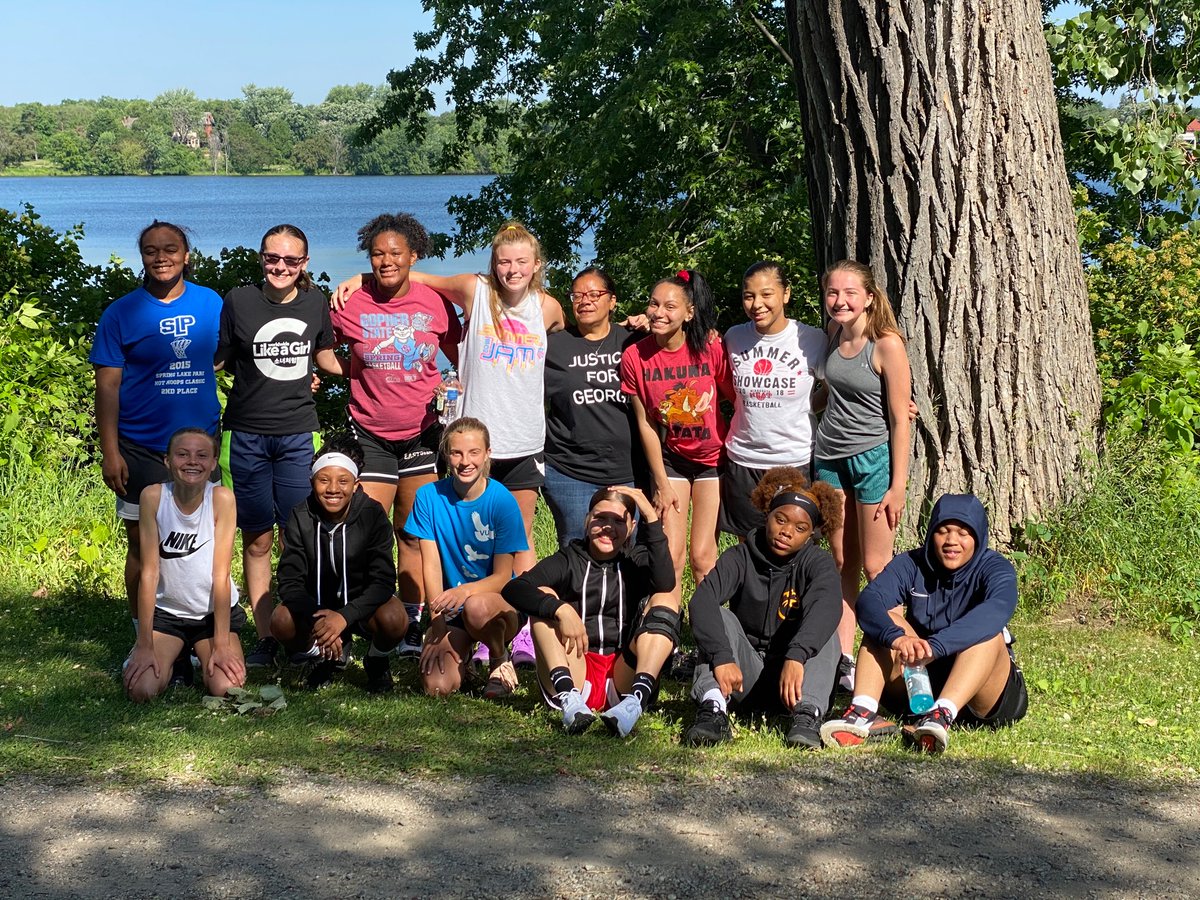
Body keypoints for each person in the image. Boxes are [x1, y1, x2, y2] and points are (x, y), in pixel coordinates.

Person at [335, 221, 564, 667]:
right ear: (492, 265)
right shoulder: (475, 292)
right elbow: (413, 274)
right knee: (459, 537)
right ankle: (450, 623)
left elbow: (574, 341)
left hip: (525, 440)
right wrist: (361, 278)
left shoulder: (549, 308)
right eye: (503, 261)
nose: (511, 270)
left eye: (521, 262)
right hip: (474, 442)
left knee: (519, 543)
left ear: (536, 266)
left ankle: (517, 633)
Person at [329, 213, 462, 659]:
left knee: (411, 533)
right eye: (377, 254)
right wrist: (351, 373)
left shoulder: (435, 303)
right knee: (361, 530)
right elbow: (324, 351)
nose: (386, 261)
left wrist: (454, 382)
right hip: (369, 432)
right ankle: (348, 620)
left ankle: (408, 622)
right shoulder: (351, 302)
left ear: (413, 256)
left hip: (423, 433)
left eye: (395, 254)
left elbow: (460, 354)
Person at [214, 224, 340, 669]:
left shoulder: (315, 302)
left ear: (304, 263)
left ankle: (305, 629)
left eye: (291, 260)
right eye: (273, 258)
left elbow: (325, 357)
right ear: (261, 258)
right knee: (256, 540)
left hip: (297, 435)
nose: (281, 267)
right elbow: (221, 360)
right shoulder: (239, 301)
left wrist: (378, 365)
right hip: (244, 435)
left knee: (299, 538)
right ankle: (267, 636)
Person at [91, 221, 222, 639]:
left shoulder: (211, 303)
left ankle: (199, 630)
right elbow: (107, 386)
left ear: (187, 255)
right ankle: (143, 631)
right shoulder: (121, 313)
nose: (160, 257)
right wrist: (110, 452)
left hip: (200, 448)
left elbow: (228, 356)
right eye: (150, 250)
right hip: (141, 448)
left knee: (200, 547)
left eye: (170, 249)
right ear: (142, 257)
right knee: (144, 548)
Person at [820, 494, 1028, 754]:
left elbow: (998, 609)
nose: (952, 541)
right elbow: (870, 600)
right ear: (931, 534)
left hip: (982, 694)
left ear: (978, 537)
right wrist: (898, 638)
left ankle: (941, 715)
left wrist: (936, 647)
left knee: (989, 634)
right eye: (943, 531)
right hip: (918, 684)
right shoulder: (911, 563)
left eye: (963, 533)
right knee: (886, 622)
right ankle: (862, 712)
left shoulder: (996, 567)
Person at [683, 467, 844, 749]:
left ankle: (807, 716)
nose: (786, 532)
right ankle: (713, 709)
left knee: (826, 629)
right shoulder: (741, 555)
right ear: (767, 515)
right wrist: (722, 657)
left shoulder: (817, 562)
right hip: (742, 676)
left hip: (795, 680)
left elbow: (828, 605)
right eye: (780, 519)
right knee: (718, 616)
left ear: (810, 535)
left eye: (799, 528)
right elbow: (702, 600)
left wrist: (797, 655)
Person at [502, 486, 677, 737]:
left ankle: (634, 703)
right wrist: (560, 608)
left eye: (618, 521)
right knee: (545, 597)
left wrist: (651, 518)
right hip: (576, 669)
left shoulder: (636, 560)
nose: (608, 527)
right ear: (587, 521)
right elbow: (514, 588)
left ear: (632, 526)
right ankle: (570, 702)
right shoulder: (569, 559)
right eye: (600, 518)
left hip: (622, 676)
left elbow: (665, 582)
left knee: (665, 600)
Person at [811, 260, 912, 692]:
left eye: (850, 293)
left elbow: (900, 419)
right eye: (832, 293)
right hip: (829, 460)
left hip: (872, 462)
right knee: (840, 563)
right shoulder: (834, 335)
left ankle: (907, 662)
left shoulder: (886, 344)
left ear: (869, 296)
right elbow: (829, 395)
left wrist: (898, 486)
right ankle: (844, 663)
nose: (840, 301)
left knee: (876, 566)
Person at [620, 268, 733, 603]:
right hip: (672, 462)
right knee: (670, 556)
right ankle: (663, 632)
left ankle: (708, 638)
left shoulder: (710, 348)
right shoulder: (635, 357)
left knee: (702, 557)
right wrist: (661, 482)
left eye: (670, 306)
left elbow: (732, 396)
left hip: (713, 461)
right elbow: (645, 424)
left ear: (689, 312)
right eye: (654, 304)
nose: (659, 312)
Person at [270, 440, 410, 692]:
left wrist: (344, 617)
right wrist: (320, 620)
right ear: (312, 482)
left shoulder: (372, 514)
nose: (333, 489)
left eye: (343, 481)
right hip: (318, 608)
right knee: (281, 619)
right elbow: (289, 580)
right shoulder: (300, 515)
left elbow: (383, 580)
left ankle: (376, 659)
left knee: (394, 616)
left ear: (356, 486)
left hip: (362, 608)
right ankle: (321, 655)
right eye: (324, 480)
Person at [404, 418, 529, 699]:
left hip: (496, 604)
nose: (465, 461)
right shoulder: (428, 496)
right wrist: (436, 625)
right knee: (437, 686)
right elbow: (431, 565)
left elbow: (501, 578)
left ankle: (499, 660)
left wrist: (463, 592)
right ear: (446, 455)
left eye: (473, 453)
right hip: (452, 608)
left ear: (487, 454)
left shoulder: (502, 500)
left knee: (477, 606)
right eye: (456, 452)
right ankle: (465, 663)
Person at [123, 428, 245, 702]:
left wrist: (222, 644)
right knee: (140, 690)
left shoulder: (221, 498)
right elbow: (149, 572)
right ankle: (176, 655)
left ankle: (198, 652)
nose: (192, 461)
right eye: (182, 454)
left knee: (226, 688)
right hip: (168, 613)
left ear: (213, 463)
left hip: (209, 614)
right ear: (167, 460)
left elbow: (221, 575)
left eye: (202, 455)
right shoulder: (153, 497)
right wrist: (143, 644)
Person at [721, 261, 828, 540]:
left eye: (766, 294)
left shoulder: (812, 339)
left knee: (796, 546)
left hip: (794, 460)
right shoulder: (733, 337)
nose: (757, 304)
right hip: (743, 461)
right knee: (750, 546)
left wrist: (805, 407)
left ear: (786, 294)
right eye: (749, 296)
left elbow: (835, 386)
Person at [543, 267, 645, 546]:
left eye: (594, 294)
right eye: (577, 295)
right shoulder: (554, 347)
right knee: (576, 552)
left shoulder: (634, 342)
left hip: (630, 472)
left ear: (612, 301)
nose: (584, 300)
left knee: (629, 554)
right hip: (570, 472)